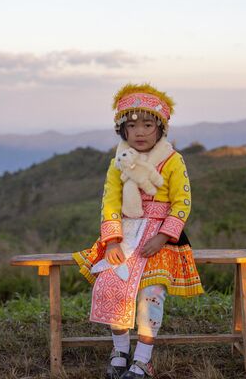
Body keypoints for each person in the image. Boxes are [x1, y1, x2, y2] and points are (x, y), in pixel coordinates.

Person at [73, 83, 204, 379]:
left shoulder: (172, 161)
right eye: (132, 126)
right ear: (123, 131)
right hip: (125, 236)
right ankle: (119, 351)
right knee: (110, 283)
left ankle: (143, 359)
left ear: (160, 128)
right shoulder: (117, 164)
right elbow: (110, 202)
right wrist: (112, 242)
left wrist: (162, 236)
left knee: (151, 295)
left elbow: (182, 202)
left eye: (148, 124)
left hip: (161, 239)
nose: (140, 132)